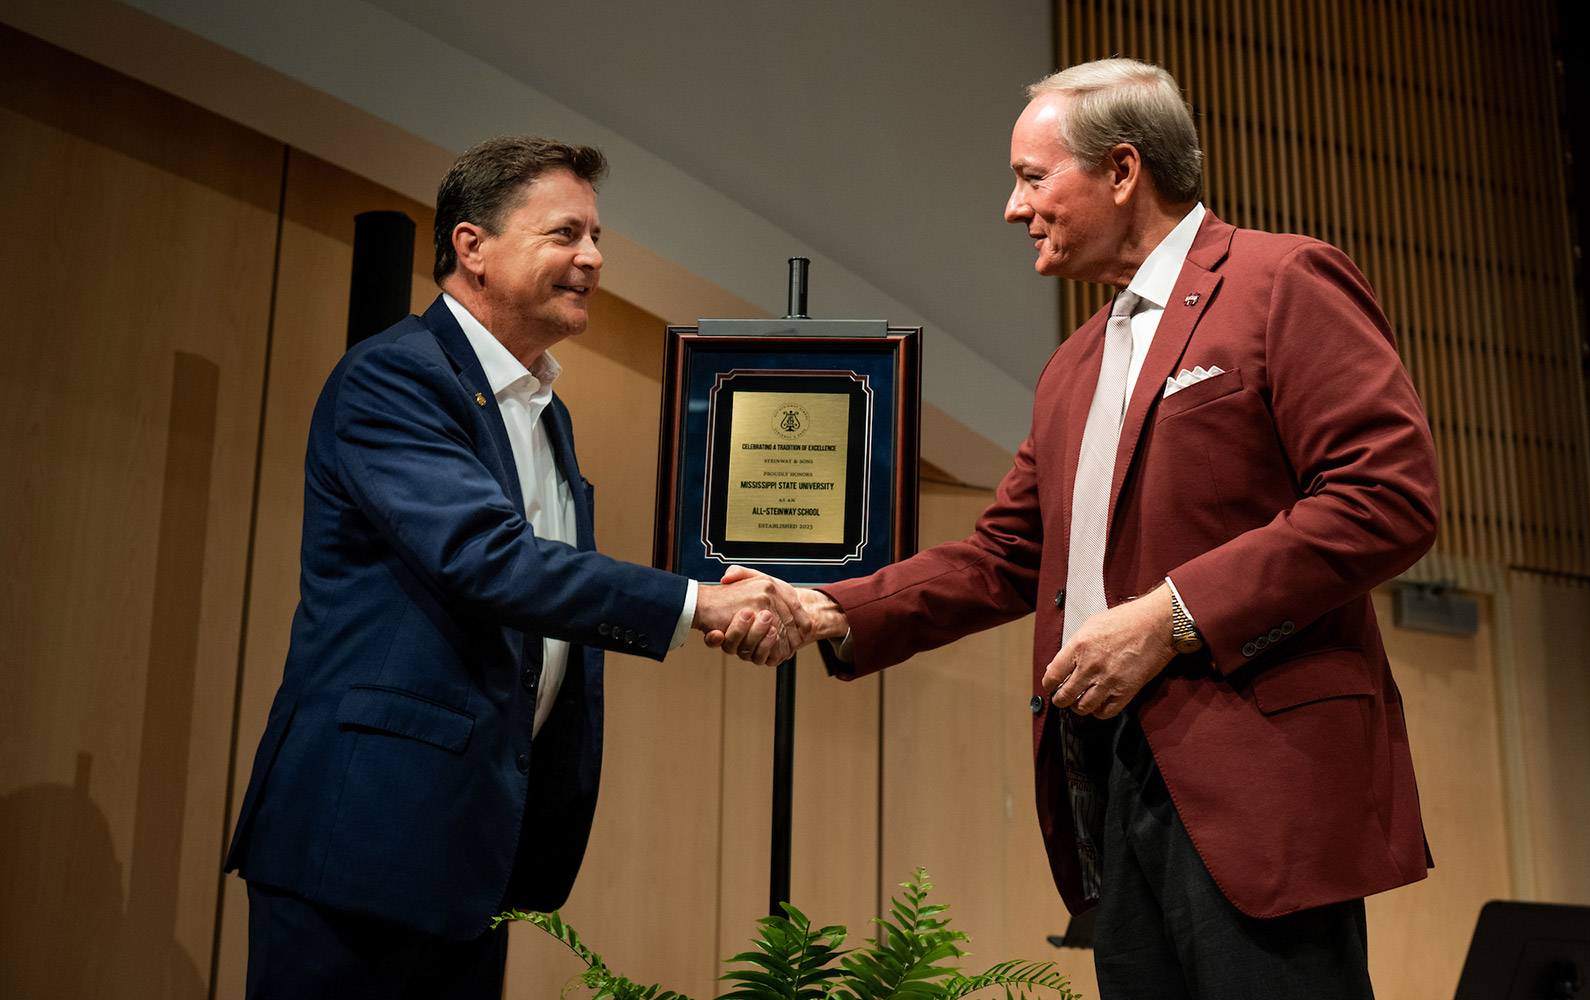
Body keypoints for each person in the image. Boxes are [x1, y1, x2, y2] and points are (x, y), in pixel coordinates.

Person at [721, 58, 1437, 998]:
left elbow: (1385, 494)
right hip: (1109, 778)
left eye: (1030, 177)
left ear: (1123, 171)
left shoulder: (1281, 281)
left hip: (1262, 778)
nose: (1013, 209)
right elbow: (1006, 554)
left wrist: (1168, 617)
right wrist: (825, 606)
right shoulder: (1073, 365)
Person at [225, 135, 804, 998]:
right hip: (361, 844)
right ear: (472, 247)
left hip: (470, 852)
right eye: (565, 234)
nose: (593, 258)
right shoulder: (393, 378)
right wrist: (700, 606)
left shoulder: (545, 412)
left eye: (597, 237)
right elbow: (488, 560)